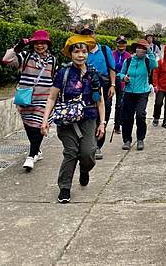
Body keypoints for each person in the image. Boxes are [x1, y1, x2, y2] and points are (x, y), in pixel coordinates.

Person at [40, 35, 106, 204]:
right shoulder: (63, 73)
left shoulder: (93, 75)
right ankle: (64, 188)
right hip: (67, 120)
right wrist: (45, 120)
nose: (80, 55)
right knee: (70, 152)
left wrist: (103, 123)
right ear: (70, 54)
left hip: (89, 119)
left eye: (84, 51)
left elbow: (100, 100)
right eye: (76, 51)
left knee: (88, 152)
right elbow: (52, 98)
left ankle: (84, 170)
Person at [2, 30, 57, 172]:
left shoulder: (53, 60)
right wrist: (17, 48)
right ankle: (37, 150)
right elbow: (6, 60)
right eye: (37, 43)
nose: (40, 46)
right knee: (28, 125)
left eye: (43, 43)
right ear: (33, 44)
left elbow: (54, 79)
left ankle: (31, 156)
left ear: (47, 45)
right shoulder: (25, 56)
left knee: (39, 125)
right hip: (25, 98)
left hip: (44, 99)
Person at [78, 24, 116, 160]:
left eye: (90, 33)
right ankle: (88, 143)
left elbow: (112, 69)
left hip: (104, 85)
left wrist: (112, 85)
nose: (88, 36)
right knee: (87, 113)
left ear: (94, 35)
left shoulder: (105, 50)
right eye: (85, 34)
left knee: (103, 115)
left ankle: (98, 145)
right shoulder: (81, 51)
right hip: (86, 86)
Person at [118, 39, 158, 151]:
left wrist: (149, 50)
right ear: (135, 49)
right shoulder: (129, 61)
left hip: (142, 92)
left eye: (143, 48)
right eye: (139, 48)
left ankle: (140, 139)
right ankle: (127, 140)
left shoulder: (147, 61)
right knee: (127, 117)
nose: (140, 50)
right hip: (129, 92)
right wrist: (123, 78)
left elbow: (155, 65)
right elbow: (120, 73)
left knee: (140, 115)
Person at [112, 35, 132, 134]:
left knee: (120, 104)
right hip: (112, 80)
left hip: (122, 81)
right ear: (116, 43)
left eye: (123, 43)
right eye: (119, 43)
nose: (121, 45)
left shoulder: (128, 56)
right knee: (107, 103)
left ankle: (117, 125)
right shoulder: (112, 54)